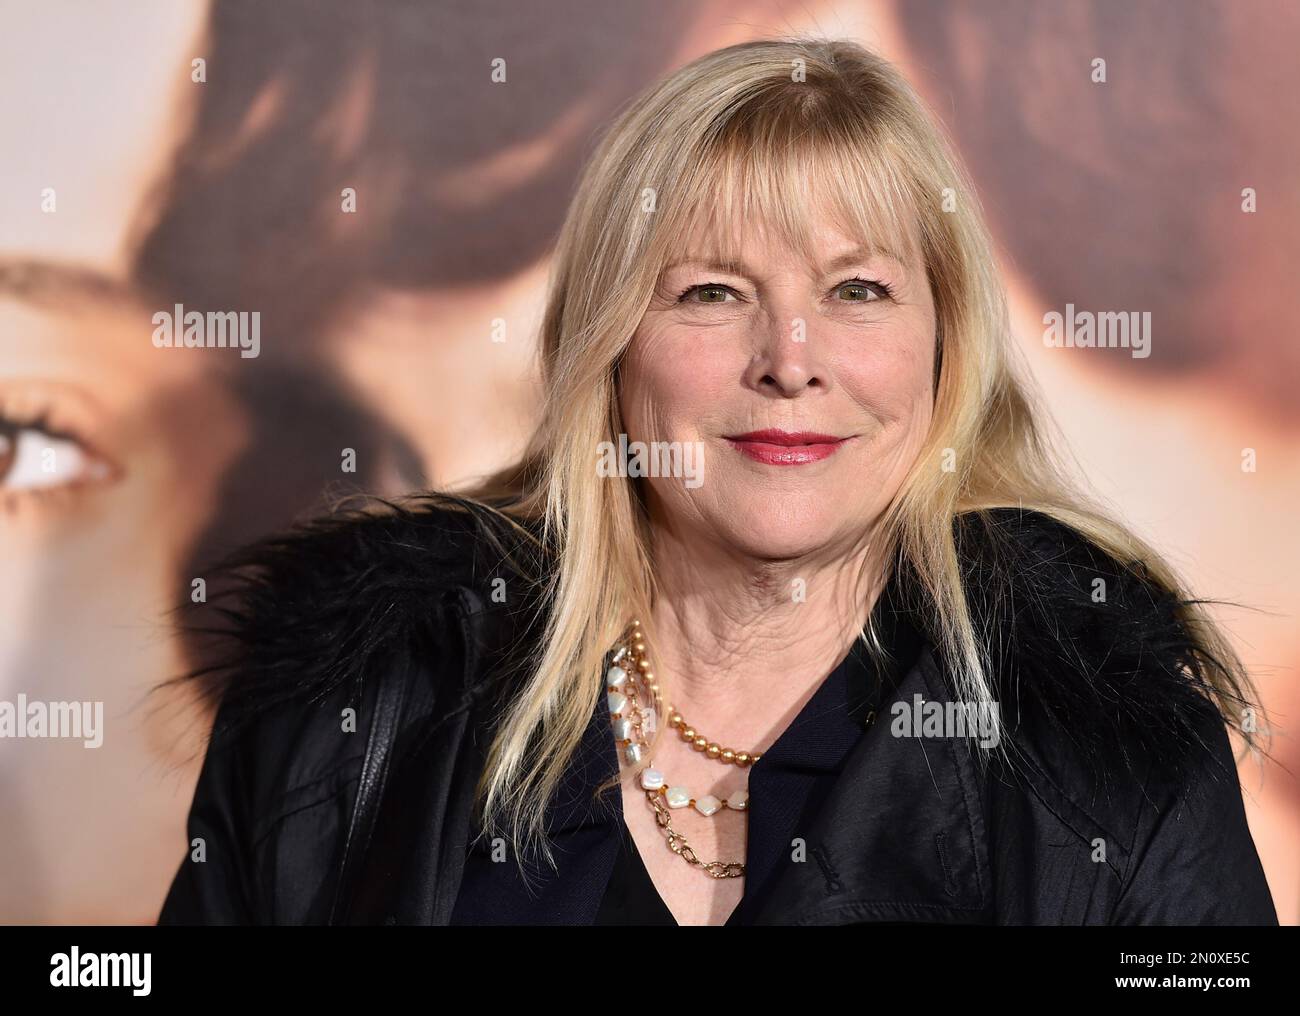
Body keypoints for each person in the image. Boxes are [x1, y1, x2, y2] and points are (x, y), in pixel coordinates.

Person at [154, 37, 1278, 926]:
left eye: (858, 291)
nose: (789, 358)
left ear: (946, 350)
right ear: (609, 341)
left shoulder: (1103, 747)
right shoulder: (352, 713)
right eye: (709, 292)